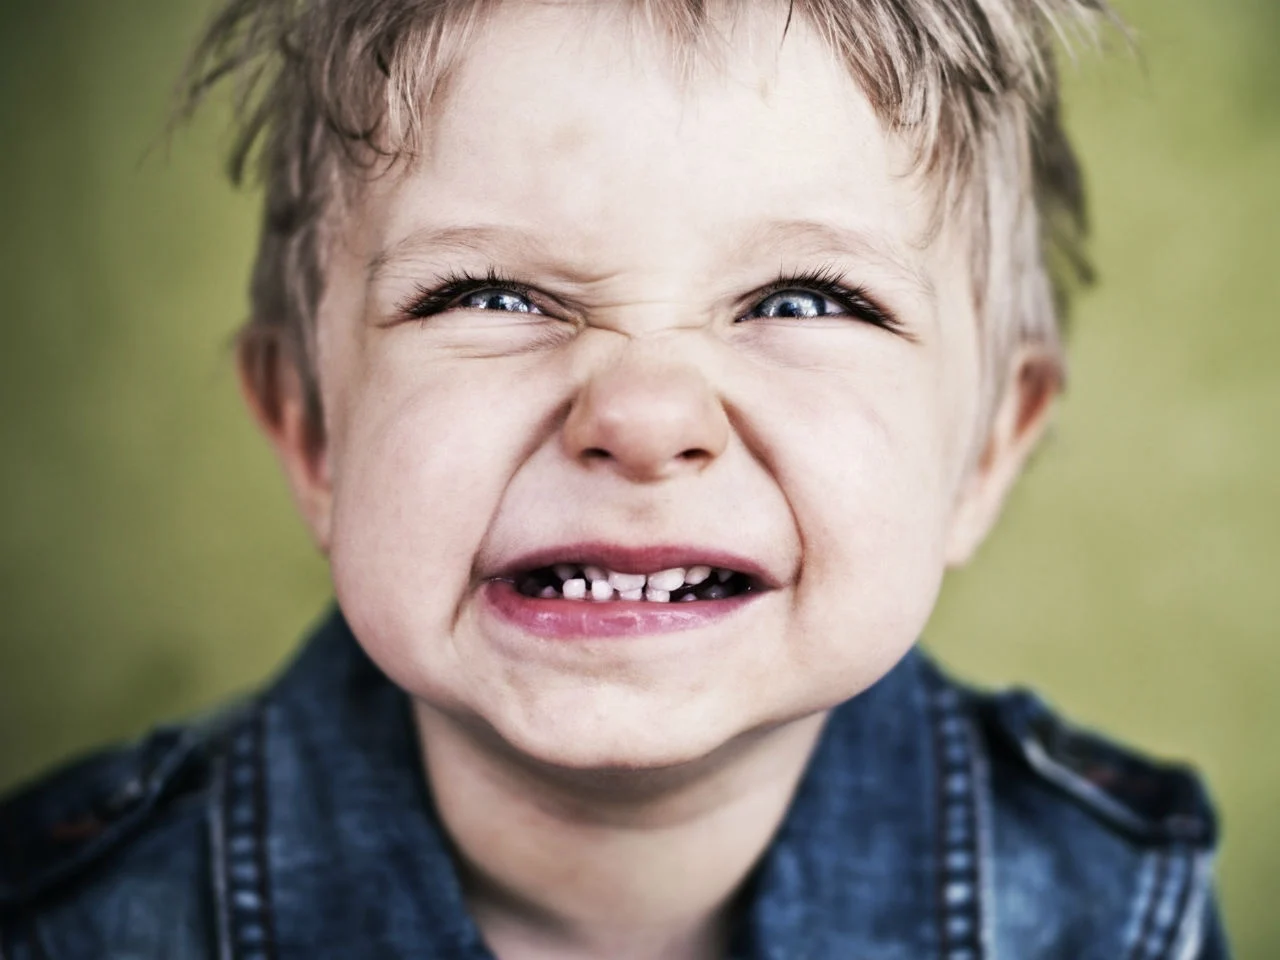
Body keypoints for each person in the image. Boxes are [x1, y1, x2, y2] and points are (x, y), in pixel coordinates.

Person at [0, 1, 1230, 957]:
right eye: (488, 295)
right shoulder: (73, 920)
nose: (641, 416)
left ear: (984, 454)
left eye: (802, 300)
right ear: (312, 431)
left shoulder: (1113, 912)